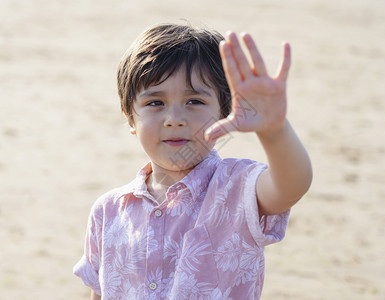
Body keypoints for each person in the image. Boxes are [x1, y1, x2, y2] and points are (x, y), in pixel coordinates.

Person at [73, 23, 312, 300]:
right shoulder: (109, 211)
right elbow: (100, 293)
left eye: (195, 101)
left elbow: (292, 185)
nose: (175, 118)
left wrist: (274, 130)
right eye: (155, 103)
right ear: (130, 117)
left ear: (224, 111)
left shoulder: (236, 188)